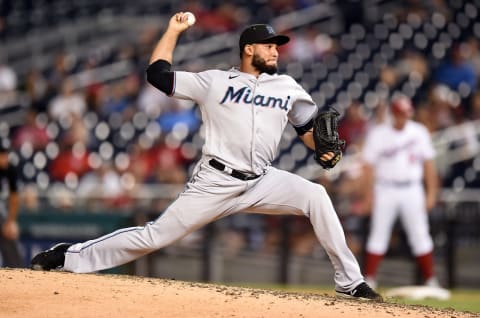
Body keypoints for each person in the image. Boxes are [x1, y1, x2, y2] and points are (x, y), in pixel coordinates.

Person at [31, 12, 382, 301]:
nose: (276, 51)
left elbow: (308, 131)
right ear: (248, 49)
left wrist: (325, 151)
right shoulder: (215, 82)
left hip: (262, 179)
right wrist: (172, 30)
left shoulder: (288, 88)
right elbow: (158, 75)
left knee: (315, 196)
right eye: (269, 45)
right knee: (154, 236)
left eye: (278, 46)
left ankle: (349, 281)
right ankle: (69, 256)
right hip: (215, 180)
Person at [360, 95, 440, 288]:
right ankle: (369, 279)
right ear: (393, 114)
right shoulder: (379, 133)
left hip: (412, 189)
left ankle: (431, 280)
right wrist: (367, 195)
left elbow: (429, 165)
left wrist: (431, 194)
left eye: (406, 114)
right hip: (385, 188)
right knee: (378, 234)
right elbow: (368, 167)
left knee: (420, 234)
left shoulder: (418, 132)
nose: (403, 118)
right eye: (399, 114)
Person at [0, 143, 23, 267]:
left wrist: (11, 222)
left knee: (10, 232)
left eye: (6, 154)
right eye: (2, 154)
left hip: (2, 211)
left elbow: (14, 198)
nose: (5, 157)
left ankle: (17, 272)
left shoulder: (10, 169)